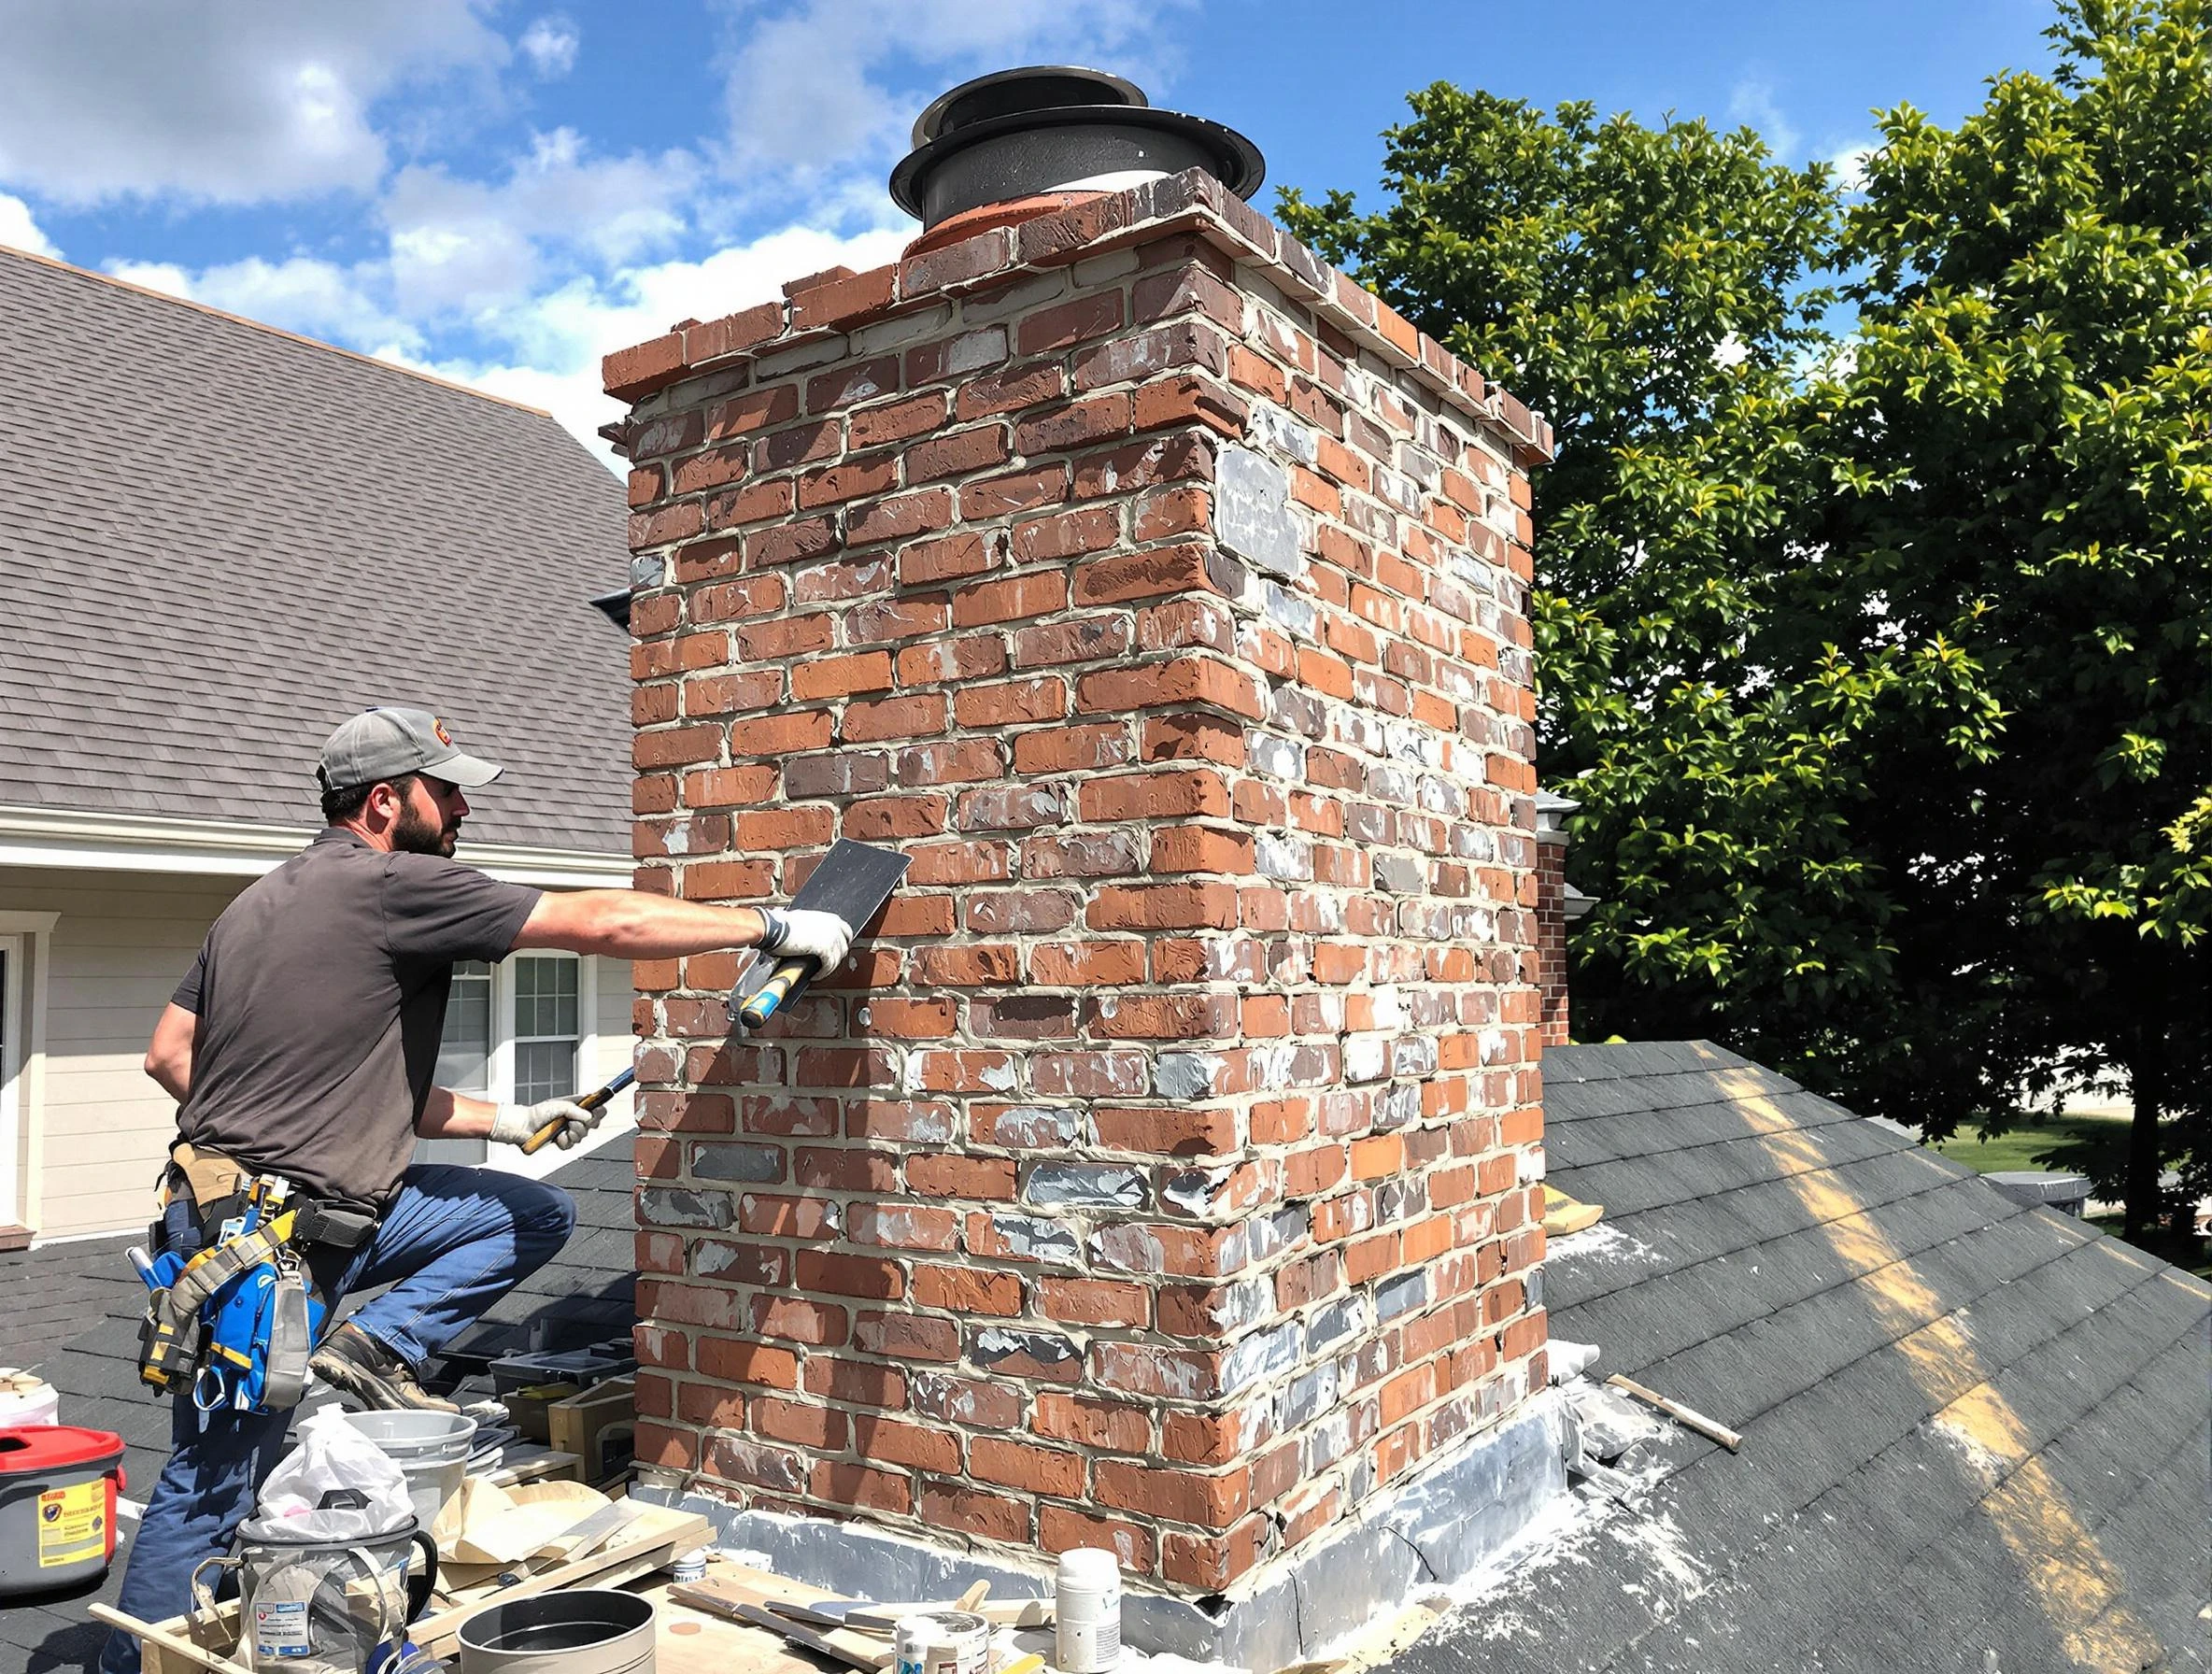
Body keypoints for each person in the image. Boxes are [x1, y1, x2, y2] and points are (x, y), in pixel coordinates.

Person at [101, 706, 851, 1674]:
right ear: (384, 802)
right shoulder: (386, 883)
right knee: (214, 1476)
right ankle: (141, 1666)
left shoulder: (255, 907)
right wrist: (774, 923)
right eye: (444, 790)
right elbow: (603, 920)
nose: (460, 809)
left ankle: (367, 1351)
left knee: (526, 1209)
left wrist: (506, 1121)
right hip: (267, 1245)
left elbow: (169, 1054)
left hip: (262, 1209)